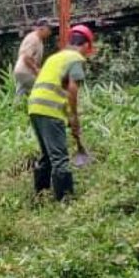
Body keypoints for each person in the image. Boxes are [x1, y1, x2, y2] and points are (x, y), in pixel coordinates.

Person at [26, 24, 95, 202]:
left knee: (47, 155)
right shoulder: (75, 59)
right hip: (50, 110)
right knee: (60, 159)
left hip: (35, 107)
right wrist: (74, 117)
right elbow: (72, 89)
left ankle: (40, 196)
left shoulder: (55, 58)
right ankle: (65, 201)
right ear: (86, 45)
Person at [14, 18, 52, 96]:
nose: (50, 32)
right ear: (42, 28)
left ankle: (16, 107)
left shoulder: (38, 40)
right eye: (49, 29)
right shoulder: (33, 38)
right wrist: (36, 70)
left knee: (20, 93)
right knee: (43, 87)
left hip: (22, 71)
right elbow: (26, 57)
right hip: (25, 71)